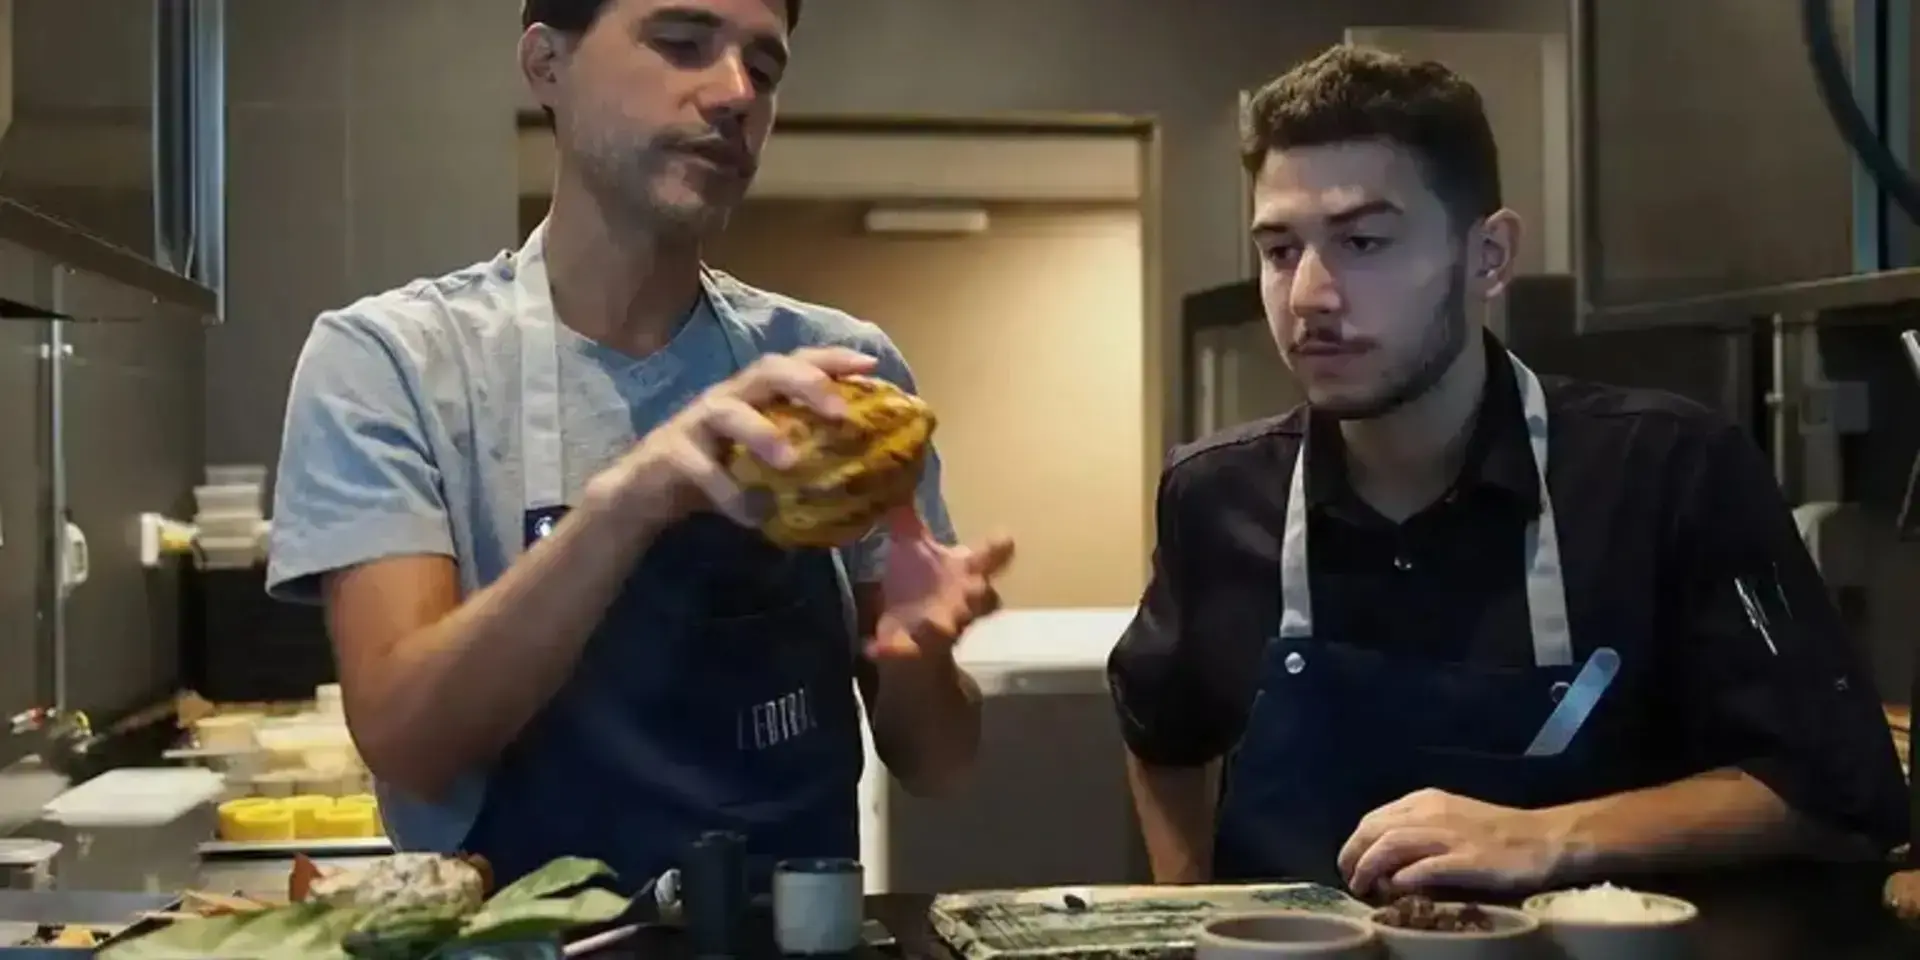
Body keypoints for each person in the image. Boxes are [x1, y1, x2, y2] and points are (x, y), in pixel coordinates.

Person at [1107, 45, 1909, 897]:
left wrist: (1554, 837)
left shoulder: (1668, 472)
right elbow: (1163, 735)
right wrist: (1188, 914)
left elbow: (1836, 787)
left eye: (1364, 241)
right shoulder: (1216, 496)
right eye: (1278, 251)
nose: (1308, 295)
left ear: (1488, 256)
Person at [267, 0, 1014, 893]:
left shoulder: (835, 379)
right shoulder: (395, 363)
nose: (736, 92)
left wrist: (918, 656)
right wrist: (635, 496)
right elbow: (410, 744)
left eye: (765, 69)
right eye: (681, 43)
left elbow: (939, 767)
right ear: (546, 64)